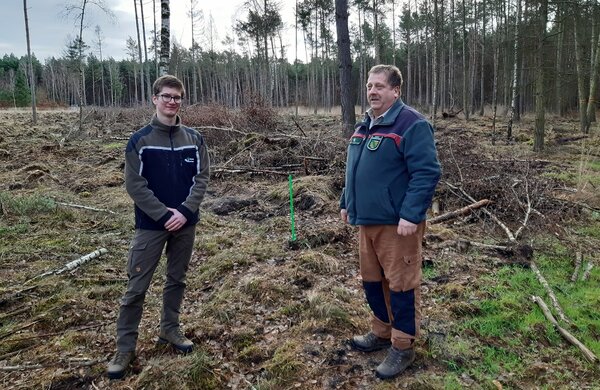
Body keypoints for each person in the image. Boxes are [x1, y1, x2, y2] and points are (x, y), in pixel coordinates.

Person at [340, 65, 440, 379]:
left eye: (380, 86)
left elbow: (426, 172)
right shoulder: (365, 124)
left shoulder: (412, 123)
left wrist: (411, 214)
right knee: (372, 282)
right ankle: (382, 331)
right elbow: (353, 170)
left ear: (396, 90)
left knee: (401, 285)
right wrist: (346, 201)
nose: (373, 91)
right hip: (365, 221)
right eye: (370, 86)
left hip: (398, 225)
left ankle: (402, 345)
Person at [107, 75, 210, 379]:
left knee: (177, 280)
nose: (171, 102)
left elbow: (202, 178)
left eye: (177, 97)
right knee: (135, 288)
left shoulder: (194, 139)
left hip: (186, 224)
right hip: (150, 227)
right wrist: (164, 215)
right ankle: (125, 348)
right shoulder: (139, 141)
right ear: (155, 99)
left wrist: (185, 211)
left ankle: (170, 329)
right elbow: (135, 185)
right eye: (166, 96)